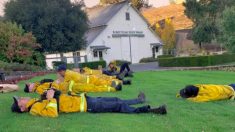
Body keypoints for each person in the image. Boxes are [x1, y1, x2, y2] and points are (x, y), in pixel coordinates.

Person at [11, 89, 167, 117]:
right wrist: (51, 98)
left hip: (85, 99)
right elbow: (52, 113)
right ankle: (150, 110)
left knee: (116, 100)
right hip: (88, 106)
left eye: (20, 98)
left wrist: (50, 92)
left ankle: (138, 100)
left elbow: (56, 97)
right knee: (118, 106)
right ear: (22, 108)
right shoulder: (34, 109)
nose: (22, 98)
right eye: (20, 101)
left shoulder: (36, 100)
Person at [24, 78, 122, 95]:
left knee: (90, 85)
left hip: (69, 85)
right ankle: (113, 88)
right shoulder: (39, 90)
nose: (30, 83)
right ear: (30, 89)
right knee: (91, 88)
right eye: (29, 85)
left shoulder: (39, 84)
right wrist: (56, 83)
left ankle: (111, 84)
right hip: (69, 88)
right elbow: (52, 90)